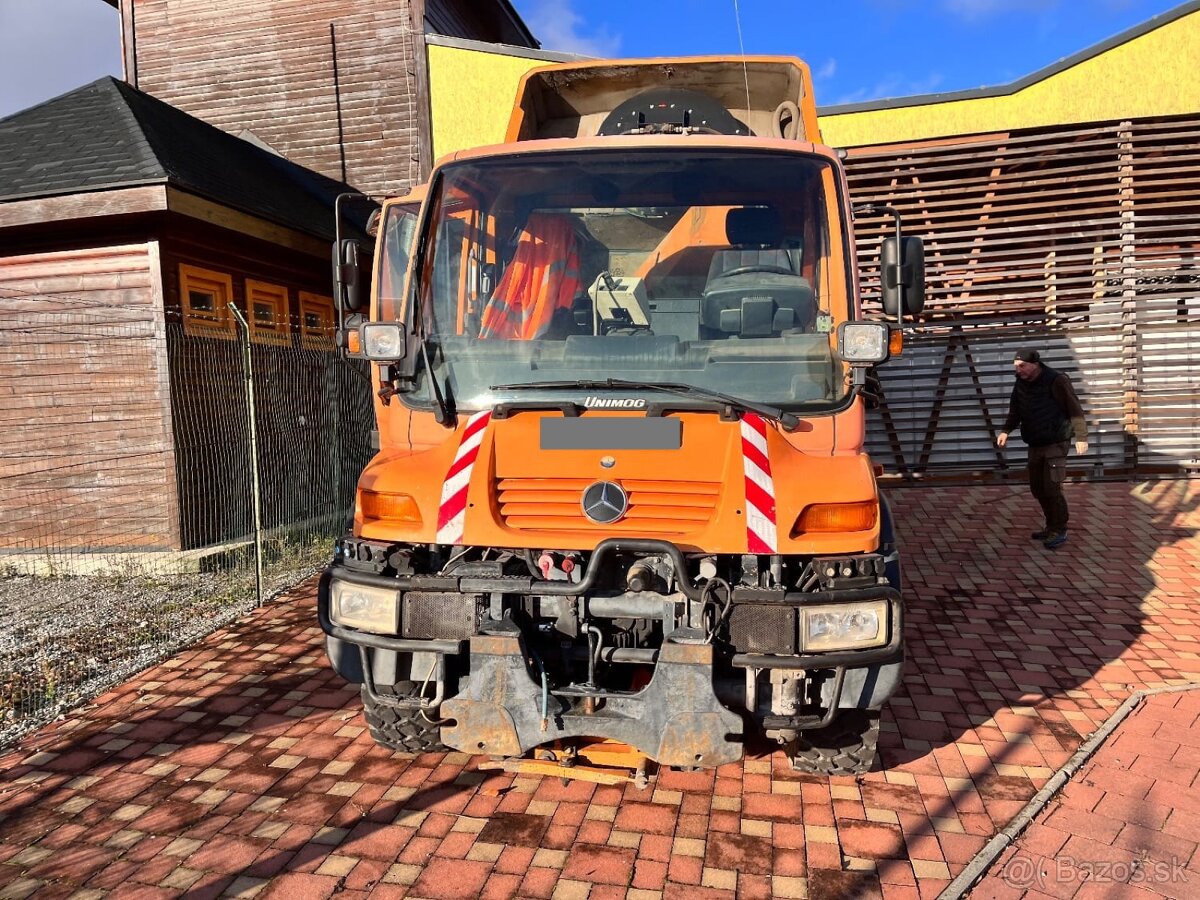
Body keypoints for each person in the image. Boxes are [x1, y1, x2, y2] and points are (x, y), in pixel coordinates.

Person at [996, 348, 1088, 550]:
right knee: (1038, 487)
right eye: (1016, 367)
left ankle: (1059, 529)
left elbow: (1075, 409)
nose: (1018, 370)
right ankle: (1050, 526)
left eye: (1022, 366)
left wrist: (1081, 436)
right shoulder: (1021, 382)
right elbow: (1015, 410)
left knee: (1052, 487)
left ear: (1035, 364)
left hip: (1056, 441)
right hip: (1035, 442)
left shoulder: (1056, 380)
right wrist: (1006, 431)